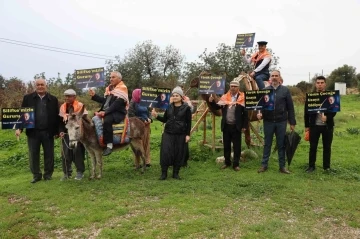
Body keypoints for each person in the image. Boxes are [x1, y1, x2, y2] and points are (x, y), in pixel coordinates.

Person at [15, 78, 60, 183]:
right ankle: (36, 175)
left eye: (42, 84)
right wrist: (19, 128)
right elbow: (23, 115)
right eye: (38, 84)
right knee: (33, 154)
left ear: (46, 86)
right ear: (35, 86)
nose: (40, 86)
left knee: (49, 154)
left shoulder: (53, 99)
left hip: (48, 132)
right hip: (33, 132)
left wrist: (57, 131)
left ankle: (48, 175)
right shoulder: (27, 98)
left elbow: (56, 116)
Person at [257, 70, 296, 174]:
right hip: (268, 121)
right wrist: (260, 114)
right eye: (272, 76)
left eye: (276, 76)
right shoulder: (265, 90)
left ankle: (282, 167)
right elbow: (261, 106)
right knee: (267, 144)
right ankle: (264, 165)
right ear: (270, 78)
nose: (274, 77)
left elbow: (290, 108)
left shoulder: (285, 90)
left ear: (279, 78)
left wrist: (292, 122)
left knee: (281, 144)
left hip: (281, 121)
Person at [151, 86, 192, 180]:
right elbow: (165, 119)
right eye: (173, 95)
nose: (175, 97)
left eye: (177, 95)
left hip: (180, 133)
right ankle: (163, 173)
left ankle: (176, 173)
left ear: (181, 97)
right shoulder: (168, 107)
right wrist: (156, 116)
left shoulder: (186, 108)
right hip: (168, 133)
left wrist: (187, 135)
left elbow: (188, 122)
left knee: (178, 153)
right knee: (165, 152)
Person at [208, 80, 248, 171]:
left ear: (238, 88)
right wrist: (211, 102)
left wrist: (244, 126)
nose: (233, 88)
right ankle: (227, 162)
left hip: (236, 126)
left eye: (235, 86)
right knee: (226, 146)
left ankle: (236, 164)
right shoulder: (225, 97)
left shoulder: (242, 97)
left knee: (237, 146)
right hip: (226, 126)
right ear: (229, 87)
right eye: (231, 86)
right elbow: (217, 107)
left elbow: (246, 114)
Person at [89, 71, 128, 156]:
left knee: (107, 121)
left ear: (119, 79)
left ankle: (109, 145)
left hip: (117, 112)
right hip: (109, 111)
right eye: (110, 77)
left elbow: (117, 104)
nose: (111, 79)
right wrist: (94, 96)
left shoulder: (122, 88)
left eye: (113, 77)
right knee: (92, 120)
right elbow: (105, 101)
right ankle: (96, 140)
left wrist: (105, 112)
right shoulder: (109, 88)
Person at [304, 76, 337, 173]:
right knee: (313, 147)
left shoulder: (331, 95)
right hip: (314, 126)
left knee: (327, 147)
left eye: (322, 82)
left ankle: (326, 167)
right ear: (315, 84)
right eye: (318, 82)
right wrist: (307, 126)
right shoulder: (311, 97)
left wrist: (327, 117)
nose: (320, 84)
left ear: (325, 84)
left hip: (327, 126)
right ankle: (311, 166)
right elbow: (306, 112)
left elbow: (334, 110)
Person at [59, 89, 87, 181]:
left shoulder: (80, 106)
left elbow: (85, 119)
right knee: (65, 153)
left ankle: (80, 172)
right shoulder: (63, 107)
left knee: (77, 152)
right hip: (66, 133)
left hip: (77, 133)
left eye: (69, 96)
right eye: (66, 96)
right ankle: (67, 172)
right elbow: (59, 121)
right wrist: (61, 131)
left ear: (74, 97)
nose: (67, 98)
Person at [128, 88, 152, 167]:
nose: (141, 95)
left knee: (146, 143)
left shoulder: (144, 102)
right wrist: (142, 120)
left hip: (146, 125)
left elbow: (149, 112)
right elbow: (131, 115)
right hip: (137, 127)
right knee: (138, 144)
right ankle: (138, 162)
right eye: (140, 94)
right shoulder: (132, 103)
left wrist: (150, 119)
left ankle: (147, 161)